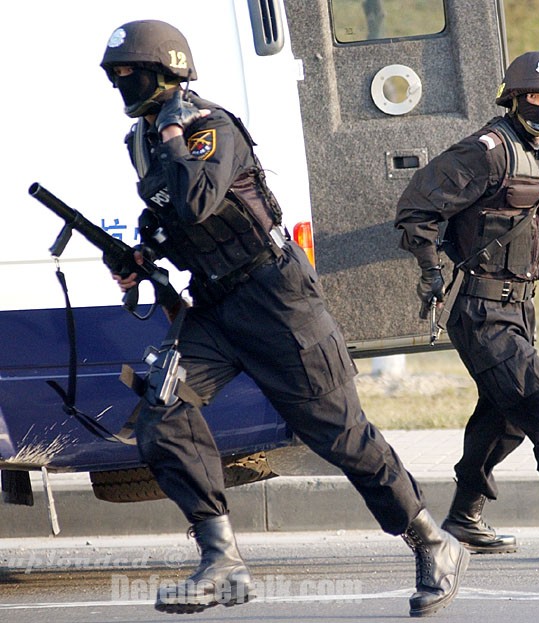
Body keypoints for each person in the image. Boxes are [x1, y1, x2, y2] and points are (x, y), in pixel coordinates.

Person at [99, 19, 469, 617]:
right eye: (113, 74)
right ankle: (222, 560)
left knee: (341, 435)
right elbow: (169, 213)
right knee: (162, 409)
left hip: (278, 301)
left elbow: (196, 199)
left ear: (167, 71)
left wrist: (172, 136)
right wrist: (143, 254)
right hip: (215, 308)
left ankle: (432, 539)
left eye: (129, 72)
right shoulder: (143, 141)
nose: (120, 82)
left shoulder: (205, 129)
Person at [395, 51, 539, 561]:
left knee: (504, 415)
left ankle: (464, 517)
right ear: (514, 97)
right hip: (482, 314)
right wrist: (429, 269)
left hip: (519, 310)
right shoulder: (488, 150)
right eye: (533, 94)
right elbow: (416, 206)